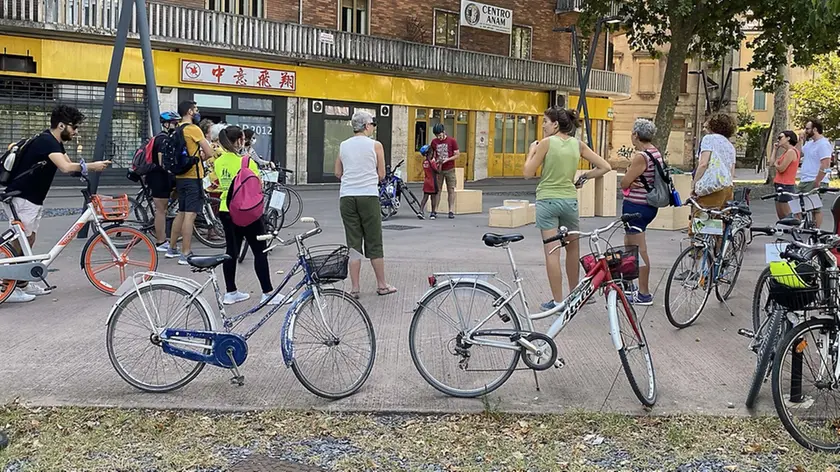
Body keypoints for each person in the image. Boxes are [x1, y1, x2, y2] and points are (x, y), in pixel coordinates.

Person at [4, 105, 111, 302]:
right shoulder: (47, 142)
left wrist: (84, 171)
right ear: (61, 125)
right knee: (21, 241)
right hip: (22, 196)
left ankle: (22, 282)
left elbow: (71, 168)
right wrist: (93, 166)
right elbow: (65, 167)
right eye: (74, 127)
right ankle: (7, 287)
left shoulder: (54, 143)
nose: (76, 131)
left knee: (29, 238)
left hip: (32, 198)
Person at [523, 107, 611, 311]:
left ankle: (557, 301)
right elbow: (605, 166)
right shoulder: (578, 145)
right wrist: (583, 178)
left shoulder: (545, 144)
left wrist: (531, 152)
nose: (543, 125)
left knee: (552, 253)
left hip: (548, 201)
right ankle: (576, 294)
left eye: (545, 121)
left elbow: (528, 172)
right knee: (573, 250)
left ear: (555, 124)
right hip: (569, 201)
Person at [214, 125, 281, 305]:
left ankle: (230, 292)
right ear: (240, 140)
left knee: (231, 251)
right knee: (260, 251)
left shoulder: (218, 161)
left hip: (226, 210)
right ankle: (267, 292)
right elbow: (257, 185)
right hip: (248, 211)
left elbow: (213, 183)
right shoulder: (247, 161)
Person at [335, 111, 397, 298]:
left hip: (347, 197)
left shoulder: (343, 145)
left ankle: (354, 288)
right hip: (368, 196)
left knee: (353, 243)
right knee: (374, 240)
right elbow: (381, 175)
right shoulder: (376, 145)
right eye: (373, 124)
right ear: (366, 126)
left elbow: (338, 172)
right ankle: (382, 285)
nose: (373, 127)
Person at [166, 100, 216, 264]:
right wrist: (199, 158)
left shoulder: (177, 129)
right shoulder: (194, 129)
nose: (197, 111)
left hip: (180, 177)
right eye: (195, 109)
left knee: (181, 212)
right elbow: (209, 152)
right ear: (189, 111)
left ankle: (171, 248)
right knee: (190, 214)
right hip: (193, 177)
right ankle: (185, 252)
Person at [619, 119, 663, 306]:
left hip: (637, 207)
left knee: (639, 248)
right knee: (630, 244)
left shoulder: (641, 156)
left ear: (636, 135)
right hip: (646, 205)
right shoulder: (655, 152)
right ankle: (629, 285)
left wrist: (629, 176)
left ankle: (644, 293)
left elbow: (624, 182)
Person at [690, 113, 736, 236]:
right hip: (727, 188)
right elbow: (731, 171)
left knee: (701, 222)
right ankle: (718, 251)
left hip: (712, 188)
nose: (704, 129)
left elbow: (703, 164)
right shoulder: (730, 145)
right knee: (718, 223)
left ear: (713, 125)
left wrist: (694, 184)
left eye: (706, 126)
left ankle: (699, 253)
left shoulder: (709, 139)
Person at [145, 111, 180, 252]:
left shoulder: (162, 137)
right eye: (174, 123)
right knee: (160, 210)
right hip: (159, 177)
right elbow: (162, 162)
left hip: (160, 177)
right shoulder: (163, 139)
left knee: (164, 208)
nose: (175, 126)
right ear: (165, 124)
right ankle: (160, 242)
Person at [798, 119, 833, 227]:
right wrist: (800, 140)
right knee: (796, 205)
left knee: (815, 208)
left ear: (815, 129)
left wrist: (818, 181)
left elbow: (826, 164)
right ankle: (802, 226)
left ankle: (816, 230)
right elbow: (799, 153)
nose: (805, 131)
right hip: (805, 179)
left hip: (815, 180)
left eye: (807, 129)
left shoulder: (823, 144)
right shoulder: (809, 144)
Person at [430, 123, 459, 219]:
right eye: (437, 135)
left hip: (449, 168)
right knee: (437, 190)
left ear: (444, 132)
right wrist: (434, 160)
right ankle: (435, 210)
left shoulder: (452, 141)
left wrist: (447, 159)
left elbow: (457, 154)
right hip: (439, 169)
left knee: (451, 189)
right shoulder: (434, 142)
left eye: (440, 135)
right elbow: (432, 154)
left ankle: (451, 210)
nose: (439, 137)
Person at [772, 130, 800, 219]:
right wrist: (775, 150)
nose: (778, 140)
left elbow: (781, 168)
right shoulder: (786, 152)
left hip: (786, 185)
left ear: (788, 138)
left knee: (786, 215)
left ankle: (793, 230)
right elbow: (771, 163)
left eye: (780, 137)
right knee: (781, 215)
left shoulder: (791, 152)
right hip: (779, 184)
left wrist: (776, 164)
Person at [419, 144, 440, 219]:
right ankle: (433, 213)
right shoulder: (432, 162)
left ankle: (421, 211)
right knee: (433, 197)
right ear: (430, 153)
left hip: (426, 182)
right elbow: (437, 171)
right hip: (433, 182)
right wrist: (440, 163)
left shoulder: (425, 162)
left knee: (425, 197)